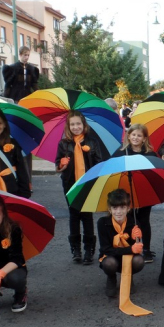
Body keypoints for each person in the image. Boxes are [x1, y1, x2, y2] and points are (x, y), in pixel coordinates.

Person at [55, 111, 102, 264]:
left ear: (83, 125)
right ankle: (76, 249)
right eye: (72, 124)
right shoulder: (63, 144)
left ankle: (89, 249)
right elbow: (57, 166)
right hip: (70, 183)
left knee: (87, 216)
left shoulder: (92, 142)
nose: (76, 127)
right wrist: (61, 164)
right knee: (74, 215)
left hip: (87, 183)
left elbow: (99, 163)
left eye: (78, 124)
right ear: (68, 126)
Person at [113, 123, 158, 263]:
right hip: (126, 191)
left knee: (144, 220)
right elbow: (113, 170)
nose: (136, 138)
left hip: (145, 191)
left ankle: (146, 249)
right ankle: (131, 246)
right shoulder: (121, 152)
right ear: (128, 136)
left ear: (144, 138)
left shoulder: (150, 154)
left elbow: (155, 173)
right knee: (130, 220)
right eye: (133, 135)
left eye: (139, 135)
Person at [96, 189, 145, 298]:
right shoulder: (102, 223)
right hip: (111, 257)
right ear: (109, 209)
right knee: (109, 263)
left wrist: (136, 239)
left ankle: (128, 277)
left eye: (122, 207)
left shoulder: (134, 223)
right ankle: (111, 278)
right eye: (115, 208)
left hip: (128, 258)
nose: (118, 212)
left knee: (139, 260)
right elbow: (106, 249)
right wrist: (130, 249)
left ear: (128, 208)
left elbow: (136, 249)